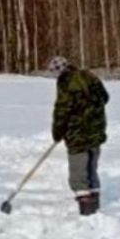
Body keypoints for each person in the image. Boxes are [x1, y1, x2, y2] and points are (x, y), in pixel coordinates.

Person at [48, 56, 109, 216]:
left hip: (78, 134)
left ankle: (87, 210)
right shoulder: (89, 75)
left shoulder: (65, 82)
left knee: (78, 171)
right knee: (91, 167)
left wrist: (57, 132)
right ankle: (95, 200)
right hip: (96, 130)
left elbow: (62, 110)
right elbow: (105, 97)